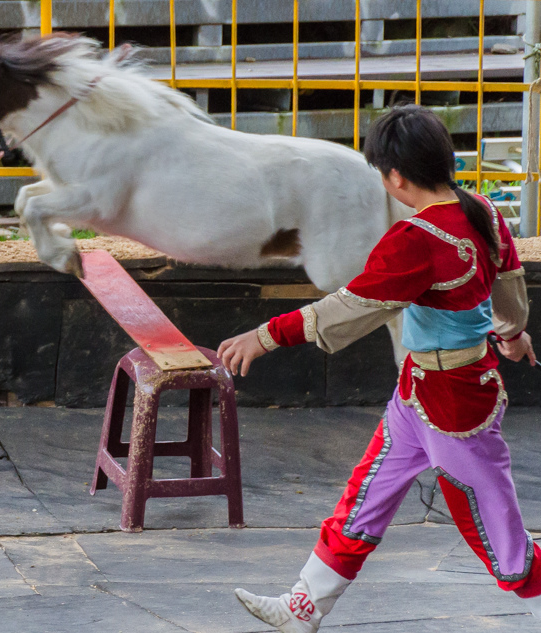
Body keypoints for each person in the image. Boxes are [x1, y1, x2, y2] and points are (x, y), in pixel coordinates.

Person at [217, 104, 541, 632]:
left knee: (494, 527)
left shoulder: (415, 239)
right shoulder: (483, 210)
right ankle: (305, 607)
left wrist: (265, 335)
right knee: (365, 497)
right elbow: (510, 298)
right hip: (425, 392)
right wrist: (512, 335)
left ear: (394, 176)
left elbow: (352, 306)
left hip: (453, 405)